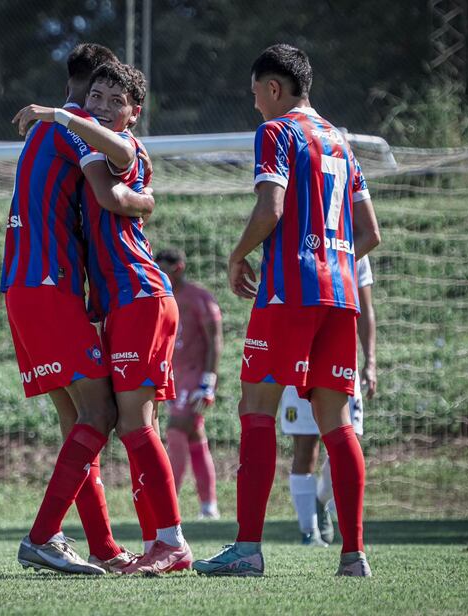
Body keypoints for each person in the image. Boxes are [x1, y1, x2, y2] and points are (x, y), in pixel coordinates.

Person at [193, 44, 380, 578]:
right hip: (341, 296)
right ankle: (353, 556)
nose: (255, 106)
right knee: (336, 425)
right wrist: (331, 260)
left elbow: (271, 206)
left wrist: (237, 256)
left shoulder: (278, 133)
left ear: (274, 88)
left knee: (256, 410)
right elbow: (370, 233)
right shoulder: (342, 143)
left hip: (287, 295)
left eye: (256, 94)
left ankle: (247, 548)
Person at [17, 62, 191, 575]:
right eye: (95, 94)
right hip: (118, 303)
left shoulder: (123, 146)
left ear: (134, 114)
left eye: (116, 100)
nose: (101, 105)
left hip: (141, 293)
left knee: (134, 424)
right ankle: (141, 544)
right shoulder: (91, 145)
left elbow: (111, 189)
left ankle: (171, 542)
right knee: (130, 425)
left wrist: (59, 115)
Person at [281, 255, 376, 547]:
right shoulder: (296, 247)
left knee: (347, 445)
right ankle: (309, 533)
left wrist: (370, 361)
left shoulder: (352, 247)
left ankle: (321, 498)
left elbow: (366, 311)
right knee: (305, 448)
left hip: (342, 361)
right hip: (300, 361)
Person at [156, 247, 223, 520]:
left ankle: (166, 505)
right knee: (195, 437)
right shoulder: (161, 298)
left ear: (178, 268)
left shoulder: (199, 298)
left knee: (175, 432)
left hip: (195, 377)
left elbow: (215, 341)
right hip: (174, 377)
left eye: (163, 269)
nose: (158, 274)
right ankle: (209, 506)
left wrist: (208, 382)